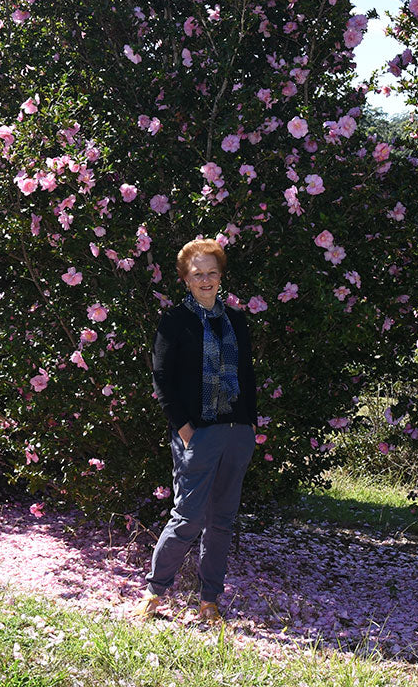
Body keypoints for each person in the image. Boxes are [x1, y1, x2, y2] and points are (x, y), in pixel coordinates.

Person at [133, 238, 257, 623]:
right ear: (186, 279)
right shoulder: (174, 322)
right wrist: (184, 428)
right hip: (198, 432)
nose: (206, 280)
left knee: (222, 520)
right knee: (187, 517)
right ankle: (154, 595)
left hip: (237, 432)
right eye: (197, 274)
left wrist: (250, 424)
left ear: (221, 276)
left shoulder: (235, 320)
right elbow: (162, 379)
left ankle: (209, 602)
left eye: (212, 273)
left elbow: (247, 375)